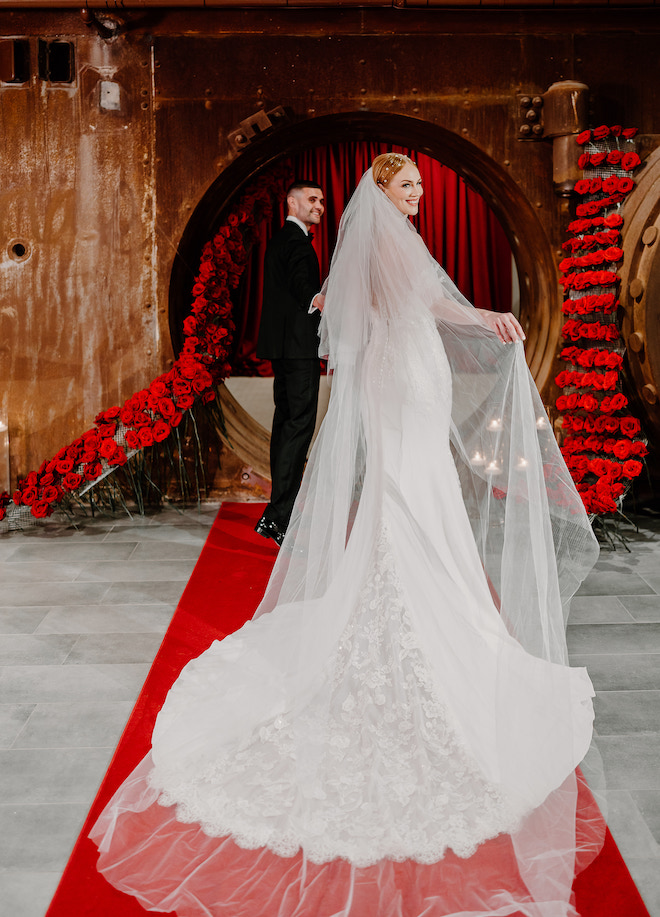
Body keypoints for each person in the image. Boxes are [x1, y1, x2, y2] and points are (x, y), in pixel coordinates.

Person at [90, 154, 603, 917]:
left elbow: (367, 313)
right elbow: (433, 306)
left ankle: (422, 604)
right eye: (408, 189)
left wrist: (450, 316)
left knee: (415, 490)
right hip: (408, 375)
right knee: (408, 493)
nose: (418, 198)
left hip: (405, 374)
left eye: (420, 189)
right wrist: (489, 317)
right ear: (384, 194)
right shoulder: (388, 240)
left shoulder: (374, 239)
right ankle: (414, 616)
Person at [254, 179, 326, 547]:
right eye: (312, 199)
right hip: (298, 351)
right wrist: (326, 300)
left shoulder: (282, 239)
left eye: (322, 201)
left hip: (284, 349)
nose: (319, 206)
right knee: (297, 429)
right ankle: (279, 517)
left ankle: (278, 514)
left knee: (286, 428)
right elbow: (304, 290)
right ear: (291, 203)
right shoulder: (297, 243)